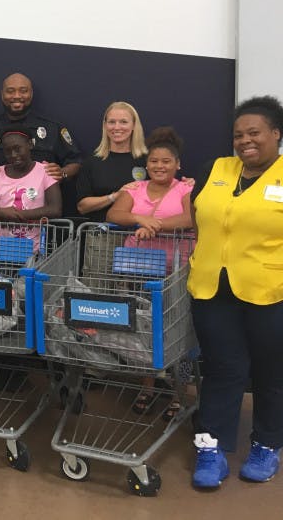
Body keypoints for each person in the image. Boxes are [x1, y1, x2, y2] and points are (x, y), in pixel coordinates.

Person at [188, 95, 283, 488]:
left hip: (270, 290)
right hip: (212, 288)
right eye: (239, 134)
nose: (245, 141)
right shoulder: (218, 169)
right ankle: (211, 450)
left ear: (276, 135)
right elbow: (199, 215)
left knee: (270, 372)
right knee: (222, 368)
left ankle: (266, 444)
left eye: (255, 133)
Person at [105, 126, 193, 420]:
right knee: (142, 329)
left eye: (166, 161)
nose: (159, 166)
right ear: (147, 165)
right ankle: (147, 386)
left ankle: (179, 392)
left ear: (177, 165)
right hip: (137, 269)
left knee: (175, 329)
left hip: (175, 272)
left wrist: (152, 224)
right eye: (154, 161)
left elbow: (190, 217)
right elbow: (113, 215)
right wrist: (138, 217)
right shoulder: (135, 189)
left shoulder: (186, 189)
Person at [0, 74, 81, 208]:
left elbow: (75, 162)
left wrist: (62, 173)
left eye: (23, 91)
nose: (17, 96)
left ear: (31, 93)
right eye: (10, 91)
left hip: (43, 217)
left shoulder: (52, 128)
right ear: (2, 94)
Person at [0, 128, 61, 251]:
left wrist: (18, 215)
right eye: (7, 151)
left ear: (30, 144)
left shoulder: (45, 171)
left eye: (18, 149)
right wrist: (2, 213)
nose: (13, 155)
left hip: (33, 249)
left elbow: (55, 209)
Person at [76, 101, 148, 222]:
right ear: (105, 125)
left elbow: (165, 193)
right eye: (112, 122)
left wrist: (184, 184)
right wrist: (114, 197)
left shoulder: (148, 161)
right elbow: (82, 207)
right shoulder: (92, 163)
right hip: (101, 237)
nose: (117, 127)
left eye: (123, 122)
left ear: (134, 125)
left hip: (140, 236)